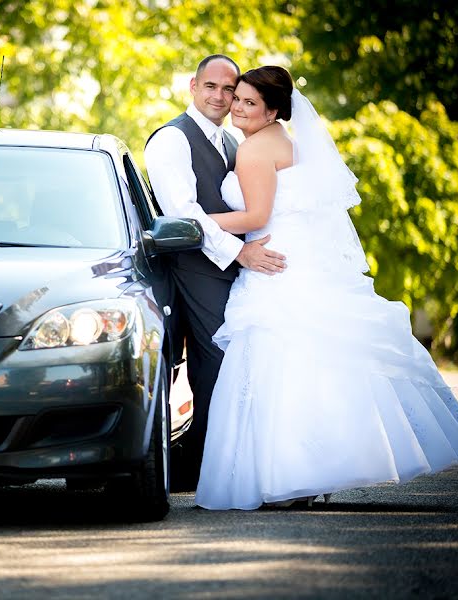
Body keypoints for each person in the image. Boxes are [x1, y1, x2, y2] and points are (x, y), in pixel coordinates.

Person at [194, 66, 458, 510]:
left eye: (249, 102)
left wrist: (197, 221)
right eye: (237, 98)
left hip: (274, 264)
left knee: (277, 363)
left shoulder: (253, 150)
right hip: (297, 259)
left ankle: (287, 475)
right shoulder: (282, 142)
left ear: (273, 110)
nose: (237, 106)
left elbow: (256, 217)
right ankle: (303, 474)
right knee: (307, 364)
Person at [144, 55, 287, 490]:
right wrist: (240, 254)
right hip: (193, 269)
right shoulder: (171, 140)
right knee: (216, 362)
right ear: (192, 86)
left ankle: (217, 457)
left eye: (229, 90)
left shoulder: (230, 142)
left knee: (231, 361)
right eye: (211, 86)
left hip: (227, 269)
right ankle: (200, 463)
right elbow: (183, 215)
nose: (220, 97)